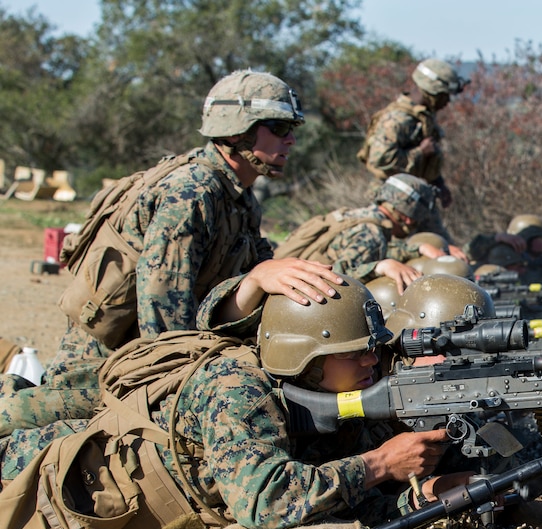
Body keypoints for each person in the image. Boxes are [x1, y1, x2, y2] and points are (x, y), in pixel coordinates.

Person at [0, 69, 342, 436]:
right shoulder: (192, 193)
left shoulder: (239, 198)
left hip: (145, 357)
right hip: (104, 369)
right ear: (235, 131)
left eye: (292, 129)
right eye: (278, 128)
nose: (290, 140)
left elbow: (254, 283)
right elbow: (162, 321)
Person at [0, 278, 465, 529]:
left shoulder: (334, 389)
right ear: (304, 356)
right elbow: (265, 501)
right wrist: (382, 463)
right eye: (354, 352)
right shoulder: (239, 389)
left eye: (373, 349)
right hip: (70, 479)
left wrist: (425, 493)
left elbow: (343, 499)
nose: (372, 361)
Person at [281, 174, 452, 294]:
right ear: (408, 218)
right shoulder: (372, 233)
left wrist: (417, 248)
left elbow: (361, 251)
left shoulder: (355, 215)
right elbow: (340, 274)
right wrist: (380, 267)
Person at [358, 58, 469, 211]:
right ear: (432, 93)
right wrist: (420, 152)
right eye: (445, 95)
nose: (448, 100)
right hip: (390, 198)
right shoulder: (397, 119)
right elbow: (380, 159)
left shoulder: (423, 117)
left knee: (434, 236)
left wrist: (439, 183)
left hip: (415, 194)